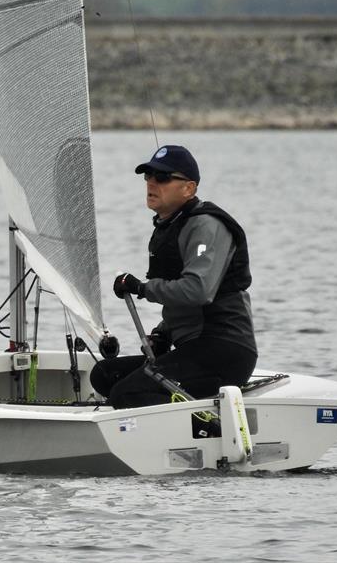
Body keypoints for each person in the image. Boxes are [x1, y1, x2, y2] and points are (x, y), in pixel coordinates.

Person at [90, 145, 258, 409]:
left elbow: (198, 290)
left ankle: (201, 432)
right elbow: (180, 298)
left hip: (224, 350)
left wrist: (142, 288)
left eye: (163, 178)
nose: (152, 183)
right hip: (192, 348)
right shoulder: (170, 225)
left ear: (189, 188)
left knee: (125, 394)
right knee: (105, 374)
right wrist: (163, 335)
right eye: (148, 176)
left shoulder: (206, 226)